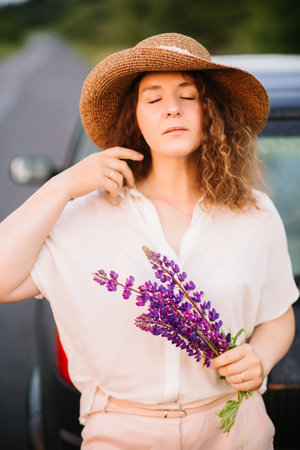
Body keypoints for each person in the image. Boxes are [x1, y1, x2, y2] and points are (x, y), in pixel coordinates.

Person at [0, 33, 298, 449]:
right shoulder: (84, 215)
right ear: (135, 116)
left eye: (188, 95)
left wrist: (260, 357)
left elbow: (279, 315)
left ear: (211, 111)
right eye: (153, 99)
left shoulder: (254, 212)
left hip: (235, 432)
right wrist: (59, 187)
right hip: (120, 432)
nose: (172, 108)